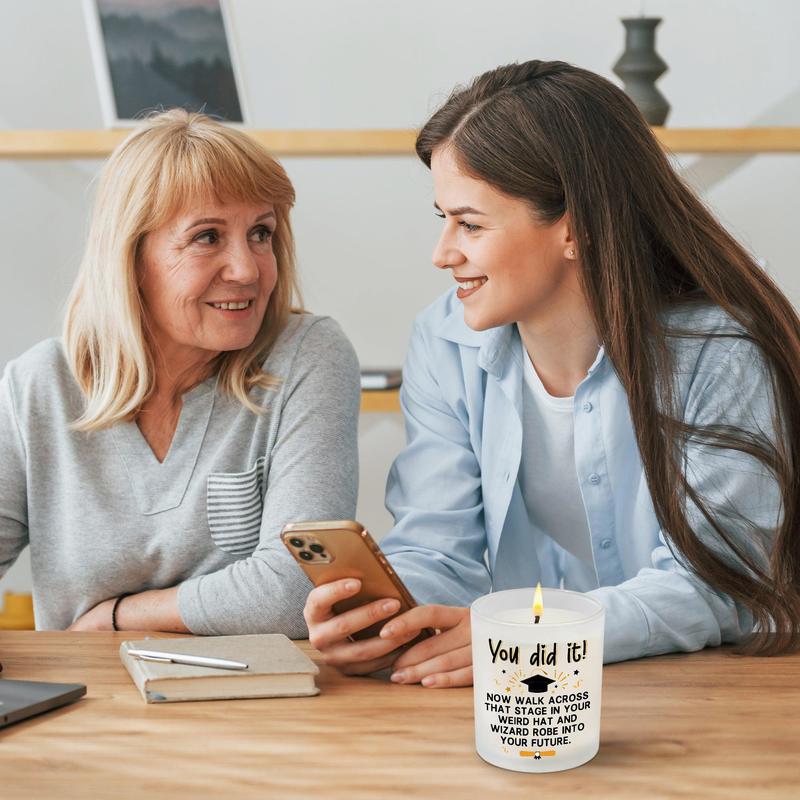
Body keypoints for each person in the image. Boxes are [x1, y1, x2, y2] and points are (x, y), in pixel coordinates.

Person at [304, 60, 800, 685]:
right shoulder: (443, 340)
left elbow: (722, 583)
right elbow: (439, 550)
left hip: (719, 688)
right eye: (443, 218)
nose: (442, 253)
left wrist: (540, 634)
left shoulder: (718, 347)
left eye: (471, 224)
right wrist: (394, 622)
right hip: (536, 692)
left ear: (575, 229)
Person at [0, 110, 360, 634]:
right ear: (130, 255)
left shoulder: (308, 355)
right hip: (87, 708)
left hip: (260, 708)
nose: (246, 268)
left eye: (261, 233)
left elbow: (297, 589)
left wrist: (118, 618)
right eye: (208, 237)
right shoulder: (39, 385)